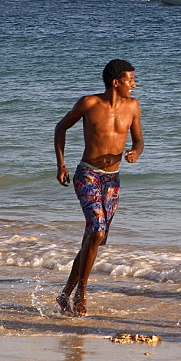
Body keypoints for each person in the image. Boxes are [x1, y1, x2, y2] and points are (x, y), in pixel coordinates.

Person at [54, 59, 144, 316]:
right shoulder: (89, 104)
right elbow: (61, 128)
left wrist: (135, 153)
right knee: (97, 232)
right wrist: (61, 165)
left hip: (112, 180)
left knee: (93, 239)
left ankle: (64, 295)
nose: (134, 85)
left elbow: (139, 140)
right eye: (130, 80)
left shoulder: (133, 106)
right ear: (116, 82)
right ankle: (82, 291)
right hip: (88, 175)